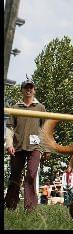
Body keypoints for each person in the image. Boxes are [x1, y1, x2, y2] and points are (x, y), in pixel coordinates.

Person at [4, 79, 50, 212]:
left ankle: (30, 208)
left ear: (34, 90)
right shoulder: (15, 107)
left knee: (31, 173)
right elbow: (10, 127)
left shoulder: (40, 107)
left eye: (31, 88)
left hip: (36, 147)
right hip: (17, 146)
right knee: (15, 175)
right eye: (26, 88)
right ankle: (10, 204)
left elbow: (45, 128)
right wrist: (9, 144)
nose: (28, 90)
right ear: (22, 90)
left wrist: (46, 148)